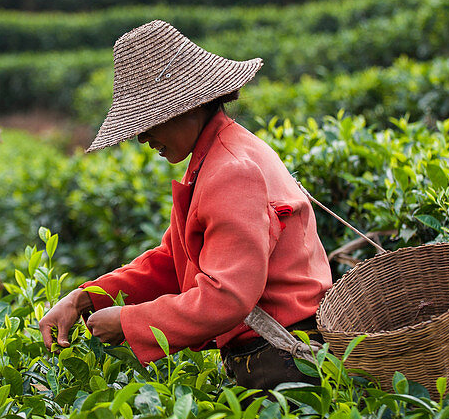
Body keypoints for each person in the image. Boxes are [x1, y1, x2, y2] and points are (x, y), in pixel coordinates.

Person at [39, 20, 332, 389]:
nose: (144, 136)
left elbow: (226, 296)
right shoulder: (217, 155)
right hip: (277, 352)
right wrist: (85, 298)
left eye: (150, 122)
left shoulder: (231, 170)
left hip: (283, 360)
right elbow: (171, 261)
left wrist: (129, 323)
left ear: (189, 106)